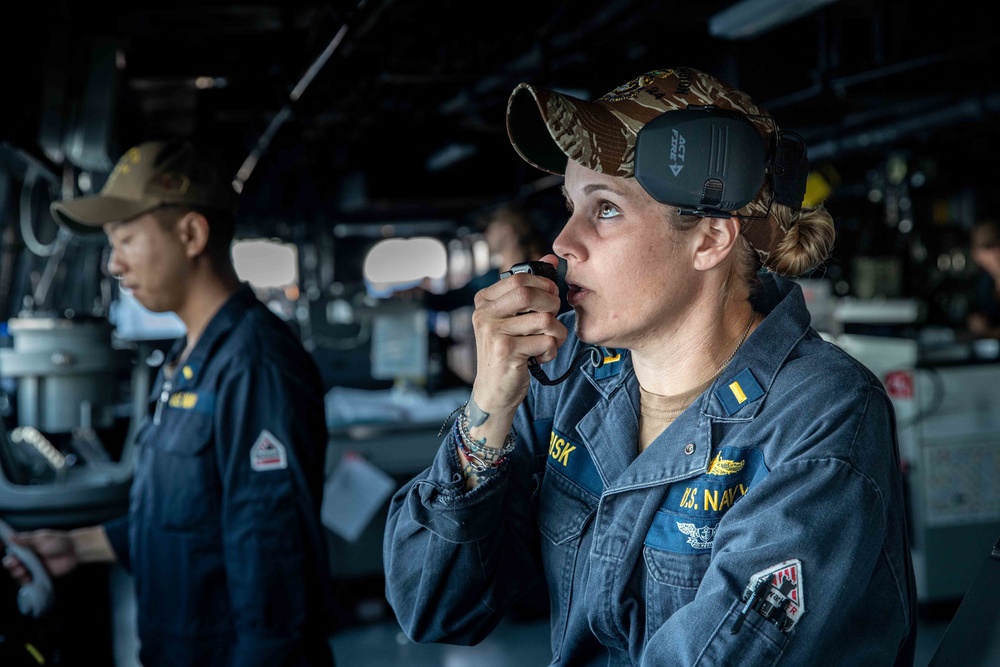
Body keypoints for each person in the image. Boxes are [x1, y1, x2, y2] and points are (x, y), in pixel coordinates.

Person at [383, 67, 917, 665]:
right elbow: (433, 605)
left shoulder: (822, 415)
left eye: (605, 210)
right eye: (570, 206)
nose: (562, 243)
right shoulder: (574, 381)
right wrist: (489, 409)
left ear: (711, 238)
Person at [1, 140, 337, 666]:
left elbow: (272, 569)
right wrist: (82, 545)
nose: (114, 263)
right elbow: (189, 519)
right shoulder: (189, 356)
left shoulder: (255, 365)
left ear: (191, 234)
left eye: (126, 238)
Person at [966, 217, 1000, 338]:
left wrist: (989, 333)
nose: (996, 253)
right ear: (976, 255)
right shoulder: (983, 285)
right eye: (988, 248)